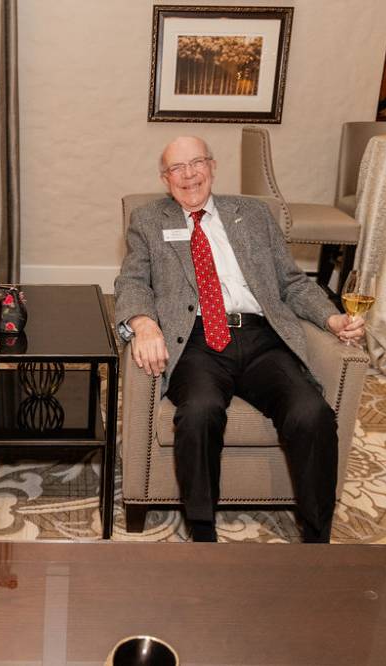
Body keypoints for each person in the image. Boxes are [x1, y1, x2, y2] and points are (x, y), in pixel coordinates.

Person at [114, 136, 365, 544]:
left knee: (311, 412)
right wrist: (143, 323)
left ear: (212, 167)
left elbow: (291, 281)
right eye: (177, 168)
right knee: (198, 413)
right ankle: (203, 532)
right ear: (165, 179)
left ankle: (318, 539)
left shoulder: (252, 213)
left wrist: (331, 318)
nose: (189, 174)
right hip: (195, 340)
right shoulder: (149, 220)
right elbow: (131, 281)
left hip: (262, 336)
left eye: (197, 163)